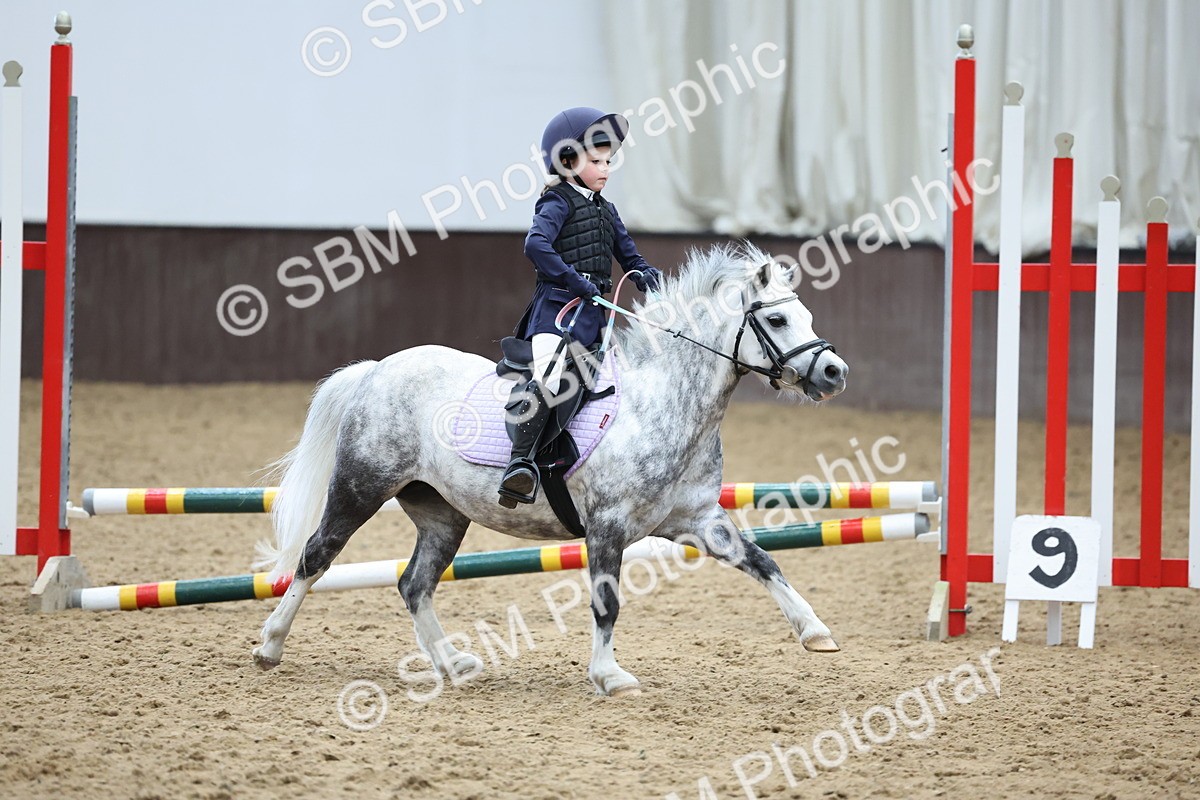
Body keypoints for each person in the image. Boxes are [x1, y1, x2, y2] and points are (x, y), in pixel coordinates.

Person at [498, 107, 663, 506]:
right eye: (596, 160)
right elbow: (535, 245)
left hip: (593, 321)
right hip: (556, 315)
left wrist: (645, 273)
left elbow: (628, 254)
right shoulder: (557, 202)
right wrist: (576, 280)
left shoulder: (607, 210)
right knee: (553, 378)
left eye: (608, 160)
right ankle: (519, 465)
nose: (605, 168)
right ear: (568, 161)